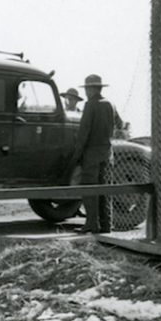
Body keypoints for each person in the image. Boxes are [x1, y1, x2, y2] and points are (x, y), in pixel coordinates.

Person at [71, 73, 115, 232]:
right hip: (107, 153)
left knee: (89, 189)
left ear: (90, 89)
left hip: (92, 154)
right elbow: (117, 126)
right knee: (105, 190)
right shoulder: (110, 104)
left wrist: (76, 155)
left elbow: (84, 132)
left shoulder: (90, 105)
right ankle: (106, 224)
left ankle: (91, 224)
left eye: (87, 89)